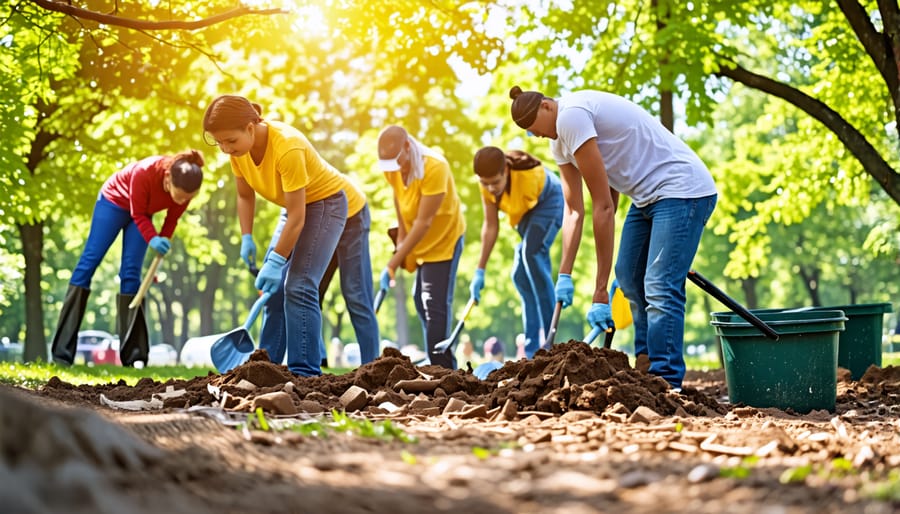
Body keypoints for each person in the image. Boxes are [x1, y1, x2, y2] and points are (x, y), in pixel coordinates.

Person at [508, 86, 717, 390]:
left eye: (534, 129)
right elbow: (574, 211)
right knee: (630, 278)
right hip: (646, 198)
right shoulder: (559, 142)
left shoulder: (571, 117)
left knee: (659, 283)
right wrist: (564, 275)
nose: (537, 137)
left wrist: (600, 291)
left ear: (545, 107)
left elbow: (603, 206)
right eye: (530, 134)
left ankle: (667, 380)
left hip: (681, 190)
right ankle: (647, 364)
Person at [203, 94, 356, 377]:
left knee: (298, 285)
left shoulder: (287, 147)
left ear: (251, 127)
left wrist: (275, 262)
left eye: (230, 141)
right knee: (272, 292)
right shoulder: (238, 152)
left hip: (325, 204)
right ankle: (267, 369)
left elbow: (299, 217)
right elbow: (244, 195)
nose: (225, 149)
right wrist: (246, 236)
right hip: (294, 207)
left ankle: (305, 372)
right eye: (219, 142)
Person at [50, 151, 204, 366]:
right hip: (113, 202)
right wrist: (152, 239)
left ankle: (134, 357)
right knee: (89, 263)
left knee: (131, 274)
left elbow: (171, 219)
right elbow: (138, 213)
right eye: (180, 196)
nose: (182, 201)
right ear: (168, 177)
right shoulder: (145, 172)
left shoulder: (185, 189)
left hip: (142, 213)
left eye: (188, 198)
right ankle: (61, 354)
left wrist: (161, 247)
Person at [254, 173, 380, 369]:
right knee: (292, 289)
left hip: (350, 216)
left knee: (356, 294)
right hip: (304, 211)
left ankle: (373, 368)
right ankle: (267, 367)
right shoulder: (261, 172)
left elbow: (296, 219)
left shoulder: (290, 160)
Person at [376, 125, 466, 369]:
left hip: (443, 239)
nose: (394, 169)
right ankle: (439, 358)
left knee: (432, 302)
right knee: (419, 300)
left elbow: (424, 222)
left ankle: (442, 367)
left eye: (397, 162)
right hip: (417, 237)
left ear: (407, 147)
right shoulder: (392, 166)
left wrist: (392, 263)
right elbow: (398, 196)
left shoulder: (435, 167)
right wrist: (401, 241)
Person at [469, 147, 563, 358]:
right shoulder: (486, 184)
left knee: (532, 258)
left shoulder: (527, 176)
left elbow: (533, 241)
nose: (490, 188)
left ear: (506, 170)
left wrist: (529, 249)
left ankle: (551, 342)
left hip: (550, 201)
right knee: (520, 276)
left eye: (495, 182)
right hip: (528, 214)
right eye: (485, 183)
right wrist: (480, 270)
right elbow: (491, 225)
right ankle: (531, 349)